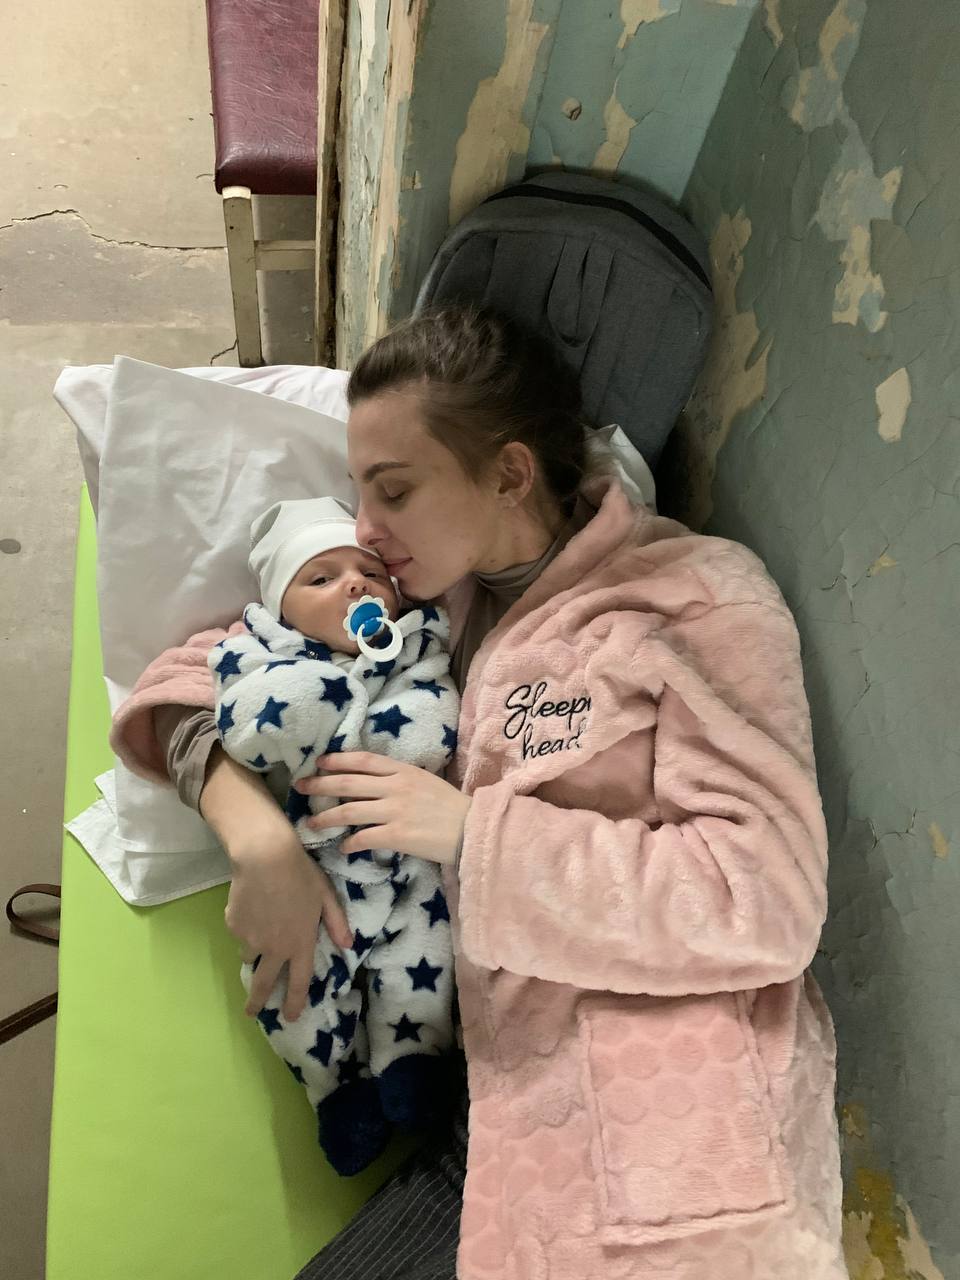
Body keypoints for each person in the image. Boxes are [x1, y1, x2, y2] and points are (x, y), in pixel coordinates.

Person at [111, 306, 846, 1280]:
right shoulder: (419, 612)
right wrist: (259, 840)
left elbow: (768, 899)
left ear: (509, 473)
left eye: (393, 491)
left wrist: (475, 836)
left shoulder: (692, 599)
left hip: (672, 1141)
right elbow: (190, 679)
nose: (363, 529)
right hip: (495, 1124)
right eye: (358, 494)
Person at [203, 496, 459, 1175]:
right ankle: (334, 1089)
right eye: (321, 578)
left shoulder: (419, 646)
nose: (355, 586)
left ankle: (412, 1061)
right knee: (291, 979)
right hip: (314, 865)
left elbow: (435, 724)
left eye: (370, 573)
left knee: (424, 958)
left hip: (408, 861)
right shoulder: (257, 656)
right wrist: (322, 695)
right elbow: (249, 728)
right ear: (280, 610)